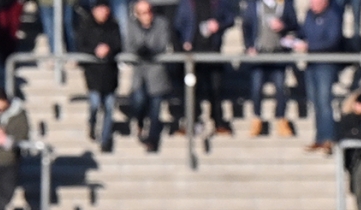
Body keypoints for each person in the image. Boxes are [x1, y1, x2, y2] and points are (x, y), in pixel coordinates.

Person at [175, 0, 236, 135]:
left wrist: (219, 25)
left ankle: (218, 121)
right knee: (192, 90)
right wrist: (184, 41)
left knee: (215, 89)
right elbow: (178, 24)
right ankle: (192, 121)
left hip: (213, 52)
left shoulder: (219, 2)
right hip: (193, 54)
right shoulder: (187, 3)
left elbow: (230, 19)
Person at [125, 0, 175, 152]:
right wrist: (138, 51)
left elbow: (163, 43)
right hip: (140, 71)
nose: (146, 16)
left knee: (155, 107)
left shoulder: (161, 23)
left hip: (156, 71)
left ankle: (152, 139)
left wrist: (151, 50)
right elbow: (129, 45)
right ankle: (139, 121)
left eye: (148, 12)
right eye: (142, 13)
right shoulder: (131, 26)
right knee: (139, 100)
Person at [243, 0, 298, 135]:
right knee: (256, 87)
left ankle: (281, 118)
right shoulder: (254, 4)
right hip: (259, 53)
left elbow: (294, 23)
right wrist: (249, 46)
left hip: (279, 52)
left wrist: (284, 26)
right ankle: (257, 119)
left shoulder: (286, 3)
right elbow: (246, 25)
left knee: (280, 87)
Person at [76, 0, 123, 149]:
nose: (103, 12)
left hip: (110, 74)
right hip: (93, 74)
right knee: (95, 104)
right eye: (100, 9)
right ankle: (92, 123)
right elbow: (80, 46)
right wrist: (94, 51)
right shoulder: (86, 25)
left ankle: (105, 139)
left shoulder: (113, 26)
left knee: (109, 107)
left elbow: (119, 44)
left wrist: (109, 49)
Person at [299, 0, 345, 153]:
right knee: (315, 101)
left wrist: (310, 46)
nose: (312, 4)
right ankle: (319, 137)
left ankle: (329, 137)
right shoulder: (309, 15)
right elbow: (303, 32)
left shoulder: (333, 15)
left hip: (326, 64)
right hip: (311, 64)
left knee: (325, 101)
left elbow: (333, 40)